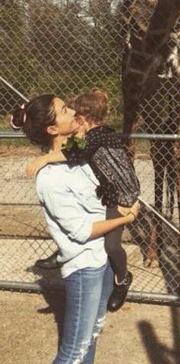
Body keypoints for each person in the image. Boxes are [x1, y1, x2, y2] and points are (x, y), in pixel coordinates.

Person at [11, 94, 140, 364]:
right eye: (64, 109)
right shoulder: (51, 177)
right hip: (85, 269)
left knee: (90, 337)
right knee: (72, 353)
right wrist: (124, 219)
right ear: (52, 129)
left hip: (101, 260)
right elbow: (82, 231)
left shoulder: (81, 152)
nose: (73, 112)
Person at [26, 88, 140, 313]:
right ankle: (63, 252)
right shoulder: (89, 136)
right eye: (65, 110)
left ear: (86, 120)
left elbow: (73, 154)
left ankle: (122, 279)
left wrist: (44, 158)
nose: (71, 117)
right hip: (108, 194)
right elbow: (74, 150)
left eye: (74, 114)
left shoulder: (99, 134)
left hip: (122, 198)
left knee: (112, 245)